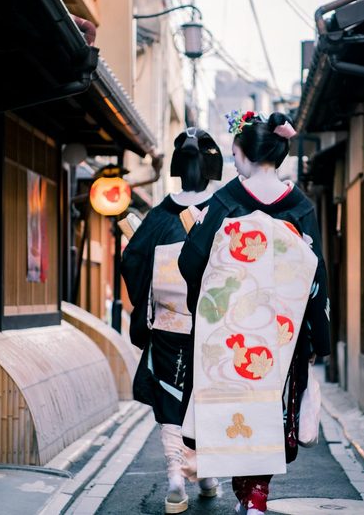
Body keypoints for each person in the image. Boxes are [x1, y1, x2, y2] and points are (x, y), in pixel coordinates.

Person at [178, 111, 331, 515]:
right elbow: (316, 277)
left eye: (234, 153)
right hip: (280, 334)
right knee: (270, 408)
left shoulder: (227, 200)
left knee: (231, 409)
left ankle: (248, 495)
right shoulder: (299, 206)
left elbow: (191, 262)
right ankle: (257, 496)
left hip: (229, 330)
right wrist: (318, 336)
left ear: (244, 155)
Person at [121, 127, 223, 514]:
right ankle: (208, 473)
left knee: (169, 397)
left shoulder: (160, 215)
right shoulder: (223, 209)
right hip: (211, 326)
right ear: (212, 166)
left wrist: (149, 296)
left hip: (167, 325)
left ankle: (176, 479)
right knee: (206, 397)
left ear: (177, 167)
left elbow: (132, 261)